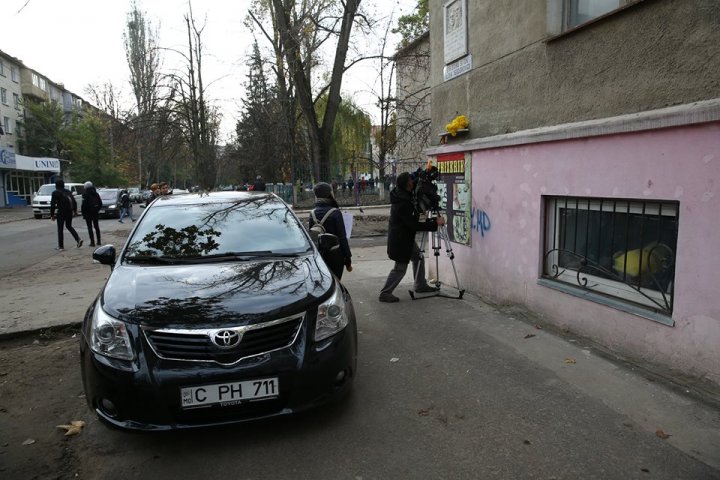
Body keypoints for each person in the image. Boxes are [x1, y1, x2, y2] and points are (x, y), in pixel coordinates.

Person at [379, 172, 445, 302]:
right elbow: (413, 224)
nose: (412, 183)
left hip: (405, 238)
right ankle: (385, 293)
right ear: (407, 184)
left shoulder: (401, 194)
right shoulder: (403, 203)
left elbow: (415, 181)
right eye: (410, 181)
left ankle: (420, 285)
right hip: (401, 240)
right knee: (400, 268)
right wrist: (433, 223)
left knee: (418, 258)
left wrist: (424, 173)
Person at [309, 182, 352, 279]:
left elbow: (312, 237)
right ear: (329, 194)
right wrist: (348, 257)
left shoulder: (312, 213)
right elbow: (342, 238)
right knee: (336, 282)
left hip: (320, 257)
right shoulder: (335, 213)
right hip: (335, 256)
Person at [50, 179, 83, 250]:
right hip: (69, 212)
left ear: (56, 186)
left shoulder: (55, 193)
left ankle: (61, 246)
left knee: (60, 229)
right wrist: (74, 211)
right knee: (69, 226)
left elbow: (52, 204)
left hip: (61, 212)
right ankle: (78, 239)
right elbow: (74, 201)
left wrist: (52, 215)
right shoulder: (68, 192)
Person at [81, 181, 102, 246]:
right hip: (95, 212)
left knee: (89, 228)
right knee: (96, 227)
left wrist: (83, 213)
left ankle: (92, 242)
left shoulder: (85, 194)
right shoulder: (96, 193)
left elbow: (83, 205)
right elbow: (100, 203)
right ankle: (99, 241)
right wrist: (97, 210)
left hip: (88, 213)